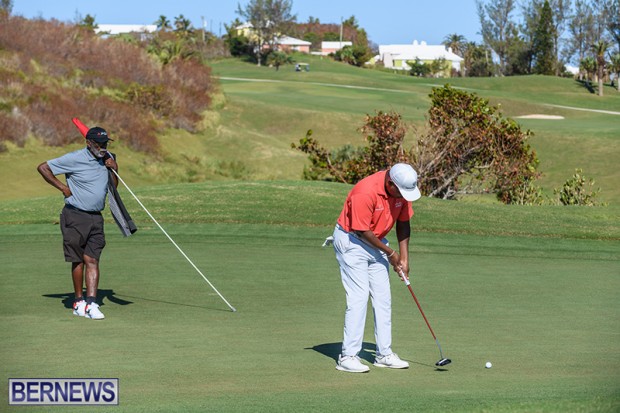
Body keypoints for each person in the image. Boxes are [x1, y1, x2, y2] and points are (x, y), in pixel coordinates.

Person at [332, 163, 422, 373]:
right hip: (351, 240)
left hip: (377, 241)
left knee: (383, 297)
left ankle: (384, 354)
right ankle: (348, 356)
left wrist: (404, 258)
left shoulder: (401, 190)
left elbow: (403, 223)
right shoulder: (365, 191)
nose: (403, 197)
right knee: (359, 296)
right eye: (401, 192)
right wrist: (391, 253)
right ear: (390, 183)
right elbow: (361, 230)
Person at [37, 126, 118, 320]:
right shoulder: (75, 158)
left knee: (92, 259)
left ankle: (92, 303)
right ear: (89, 143)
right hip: (75, 215)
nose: (103, 147)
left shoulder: (107, 159)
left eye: (105, 143)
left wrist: (114, 169)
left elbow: (113, 188)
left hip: (96, 217)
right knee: (78, 259)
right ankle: (79, 301)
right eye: (99, 144)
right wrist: (63, 188)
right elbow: (43, 168)